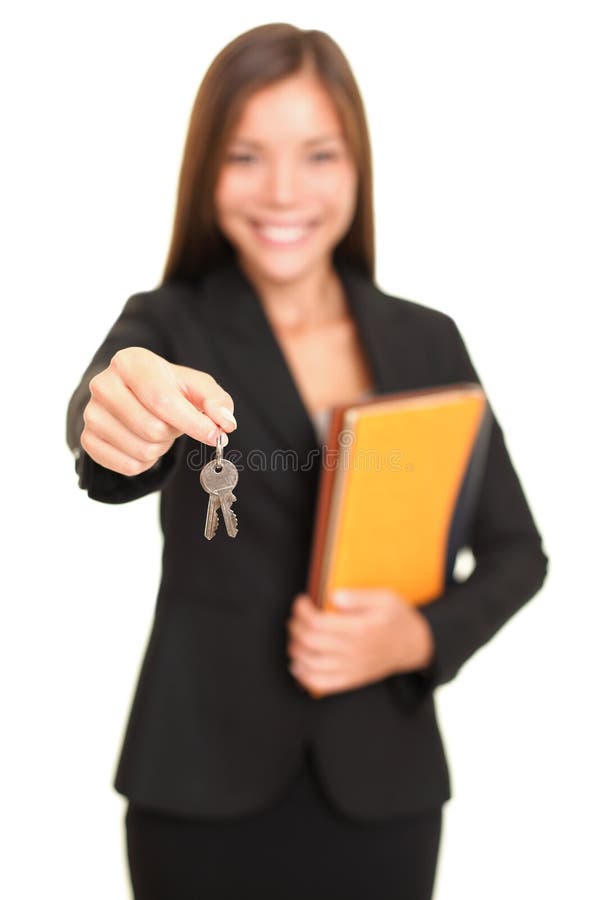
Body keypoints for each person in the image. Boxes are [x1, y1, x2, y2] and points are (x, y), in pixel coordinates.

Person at [65, 22, 549, 900]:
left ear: (356, 168)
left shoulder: (429, 341)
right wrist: (115, 413)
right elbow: (110, 427)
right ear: (205, 169)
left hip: (384, 792)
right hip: (197, 787)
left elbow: (520, 552)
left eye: (318, 155)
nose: (283, 191)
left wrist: (419, 636)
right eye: (246, 155)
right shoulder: (168, 325)